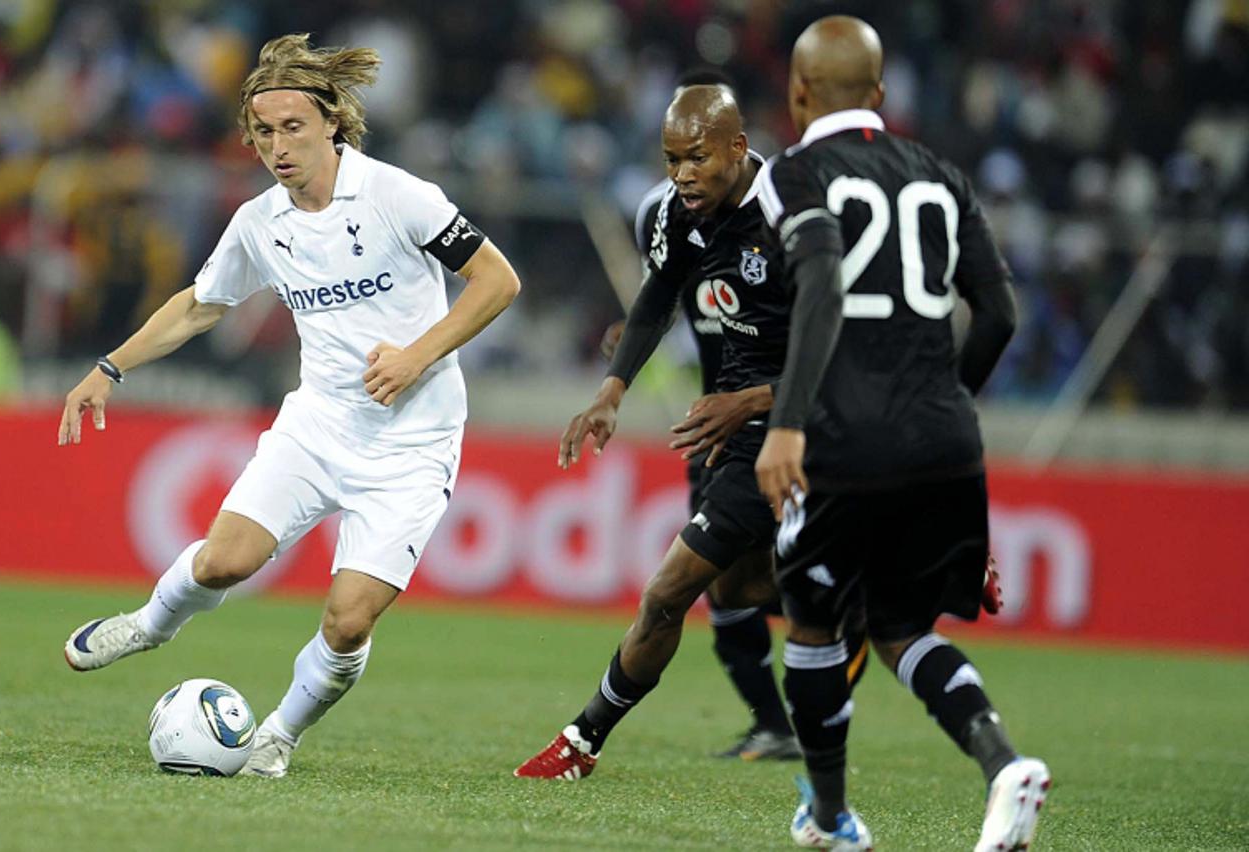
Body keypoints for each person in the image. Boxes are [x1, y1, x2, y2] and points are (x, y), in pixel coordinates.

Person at [58, 34, 521, 779]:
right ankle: (147, 625)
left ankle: (278, 737)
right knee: (219, 563)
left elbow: (497, 281)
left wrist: (417, 355)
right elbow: (199, 307)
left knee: (348, 620)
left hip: (413, 446)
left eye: (293, 127)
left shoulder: (398, 196)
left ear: (333, 122)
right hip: (318, 425)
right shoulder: (259, 221)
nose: (278, 145)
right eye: (264, 131)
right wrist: (110, 366)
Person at [751, 16, 1047, 852]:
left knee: (811, 629)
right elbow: (999, 314)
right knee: (902, 630)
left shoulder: (794, 173)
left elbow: (819, 285)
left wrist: (790, 423)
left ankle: (833, 818)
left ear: (798, 92)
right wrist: (941, 407)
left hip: (841, 441)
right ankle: (1003, 766)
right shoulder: (942, 176)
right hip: (943, 440)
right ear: (880, 95)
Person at [514, 82, 862, 781]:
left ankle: (582, 740)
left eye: (696, 158)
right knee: (724, 595)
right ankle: (861, 601)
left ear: (738, 148)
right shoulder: (681, 211)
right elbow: (654, 299)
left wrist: (751, 400)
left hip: (803, 429)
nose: (681, 175)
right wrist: (610, 393)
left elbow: (851, 356)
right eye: (671, 158)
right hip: (739, 430)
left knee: (673, 592)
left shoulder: (796, 215)